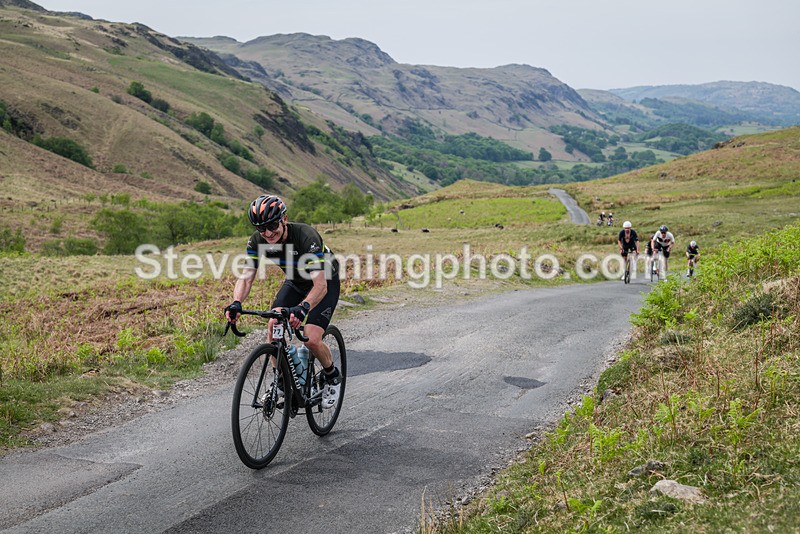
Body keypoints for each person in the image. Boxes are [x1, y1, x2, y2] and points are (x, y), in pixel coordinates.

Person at [225, 194, 342, 409]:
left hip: (324, 281)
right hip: (296, 281)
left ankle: (332, 375)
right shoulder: (257, 241)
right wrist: (236, 302)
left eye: (272, 225)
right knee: (274, 323)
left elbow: (320, 285)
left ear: (284, 219)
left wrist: (303, 308)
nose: (268, 233)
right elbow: (247, 276)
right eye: (261, 228)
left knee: (311, 338)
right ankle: (281, 380)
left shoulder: (306, 236)